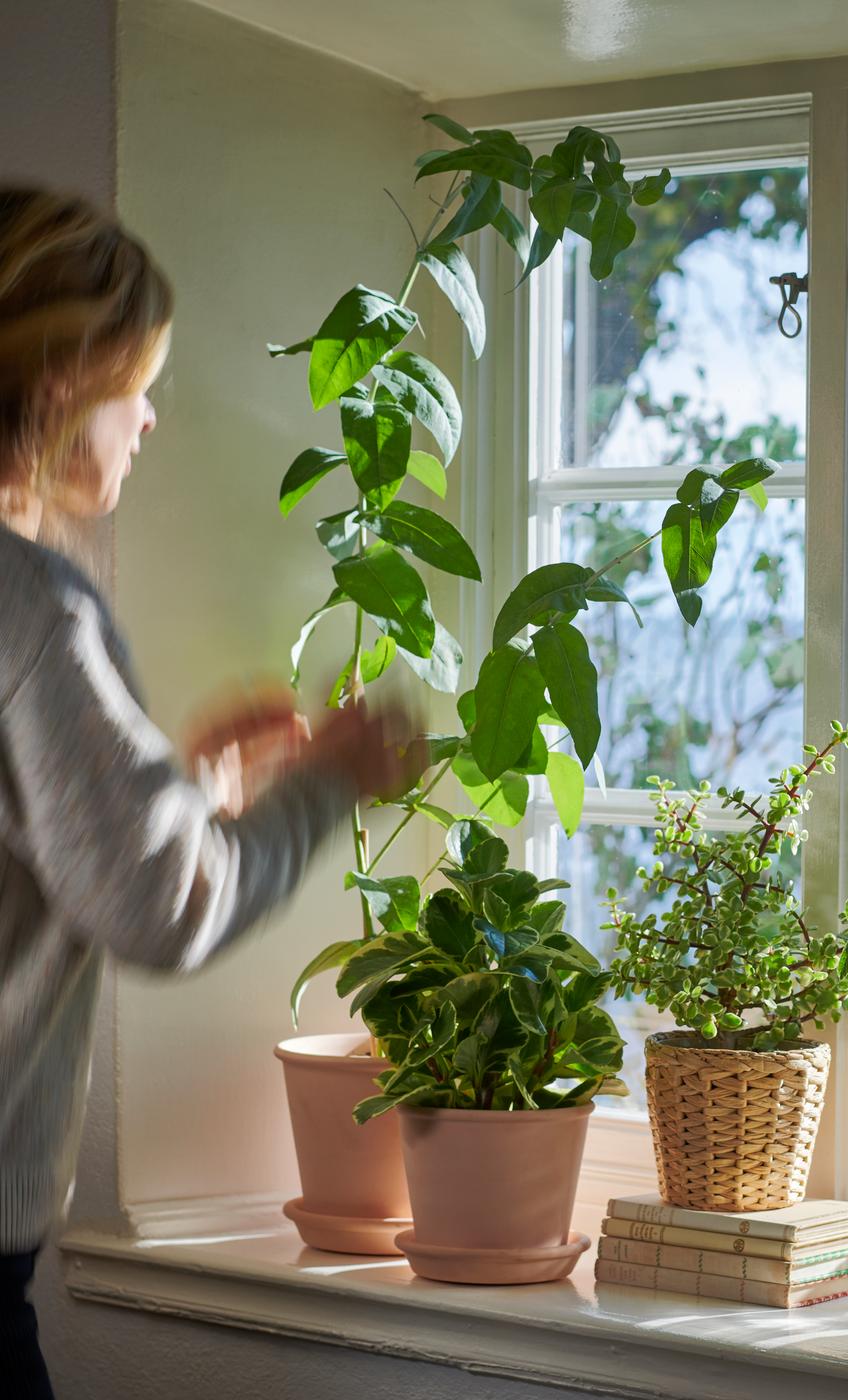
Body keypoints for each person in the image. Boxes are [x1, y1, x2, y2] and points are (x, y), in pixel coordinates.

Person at [0, 189, 414, 1397]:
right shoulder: (35, 607)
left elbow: (51, 853)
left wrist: (191, 788)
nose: (150, 418)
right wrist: (327, 783)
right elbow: (163, 904)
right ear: (67, 373)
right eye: (138, 381)